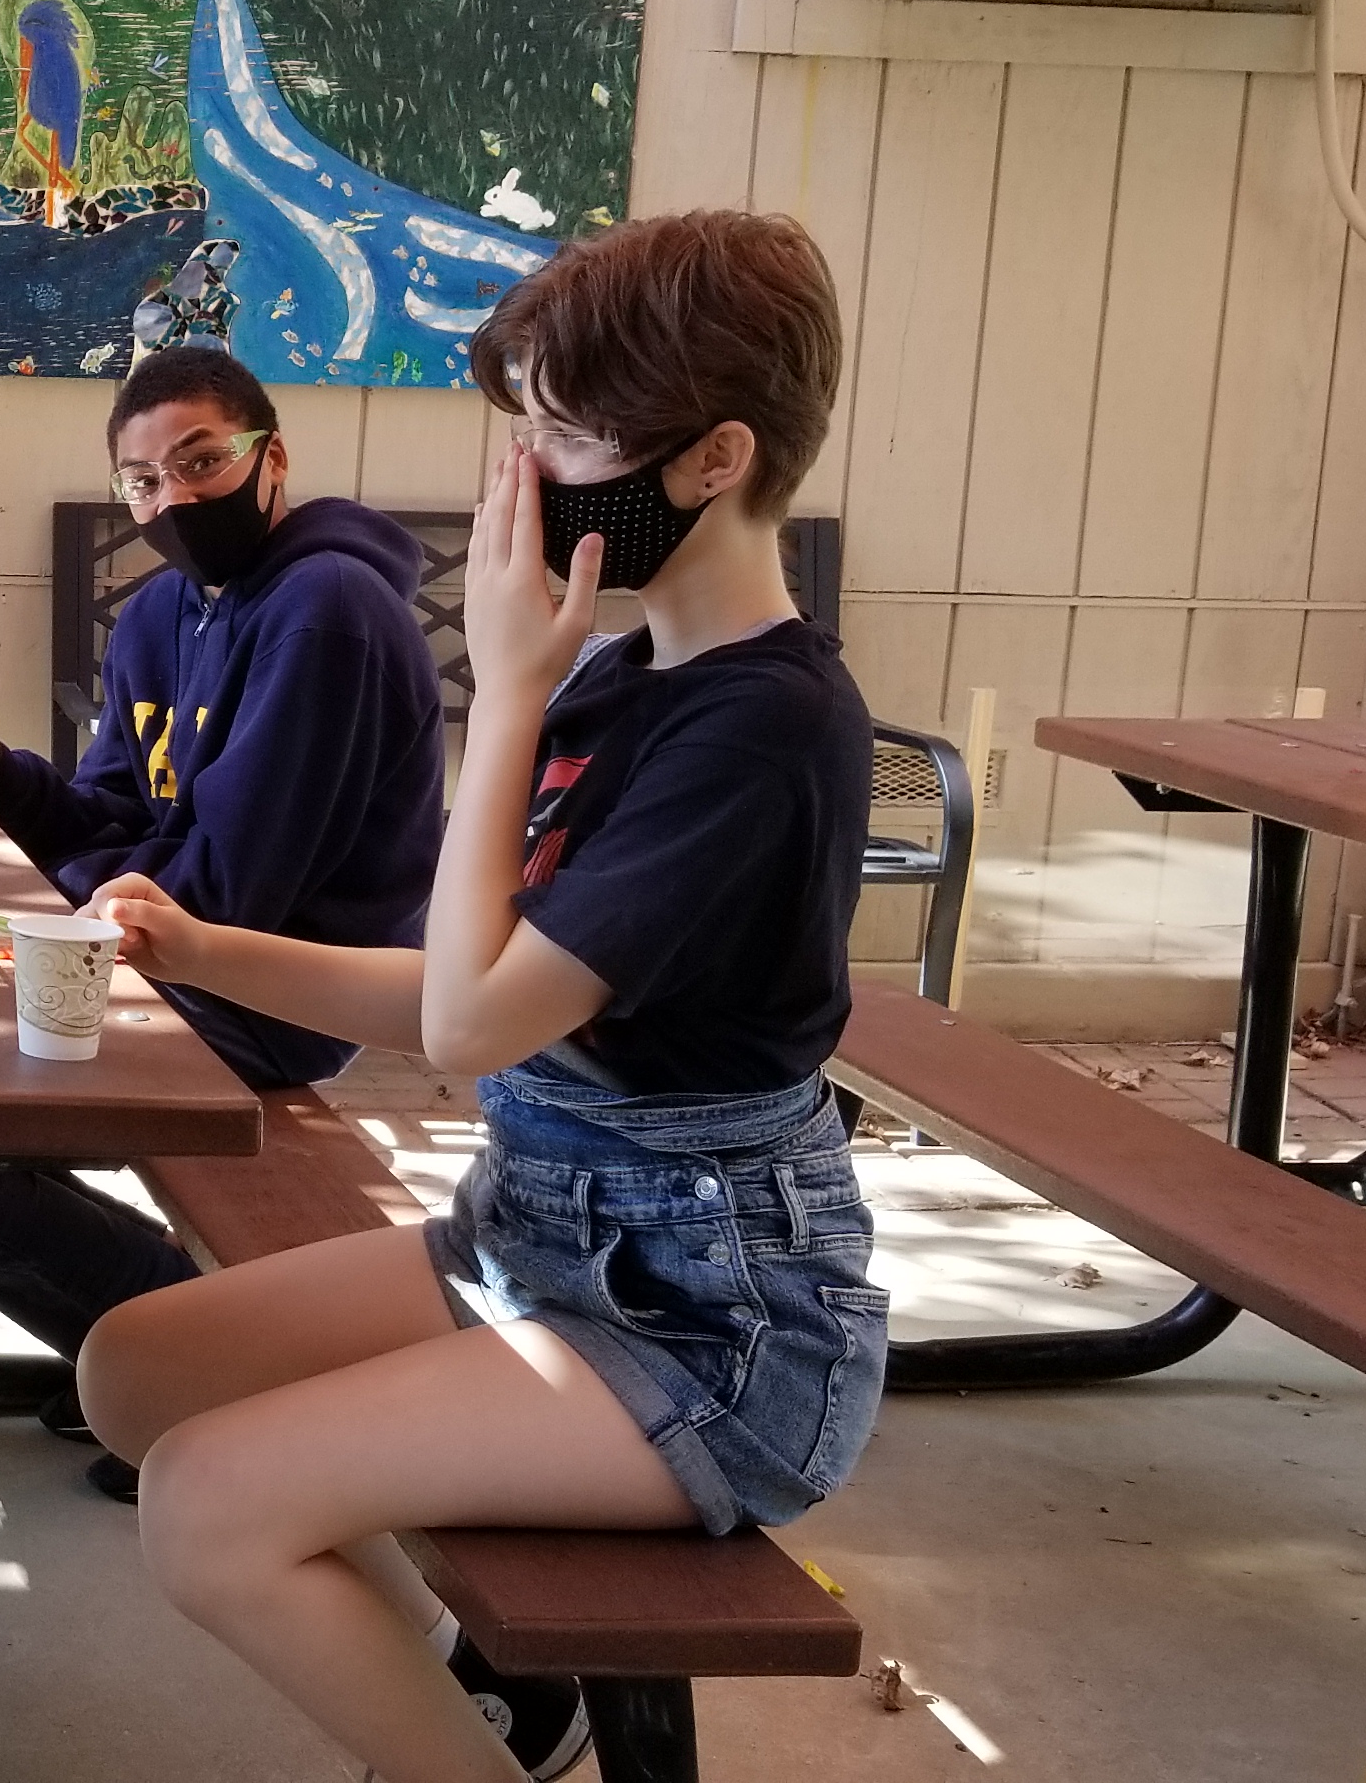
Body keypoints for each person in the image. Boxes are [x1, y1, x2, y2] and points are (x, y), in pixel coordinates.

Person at [72, 211, 884, 1783]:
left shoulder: (765, 730)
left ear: (712, 460)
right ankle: (481, 1700)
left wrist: (501, 688)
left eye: (563, 438)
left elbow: (468, 1030)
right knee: (133, 1372)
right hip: (535, 1245)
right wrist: (200, 948)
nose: (522, 477)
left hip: (709, 1334)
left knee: (207, 1505)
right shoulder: (628, 677)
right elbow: (469, 981)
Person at [0, 344, 445, 1484]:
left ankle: (209, 1366)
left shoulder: (327, 613)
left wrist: (67, 898)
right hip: (154, 954)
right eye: (143, 480)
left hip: (268, 990)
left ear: (271, 458)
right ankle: (149, 1352)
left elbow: (230, 894)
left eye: (201, 461)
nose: (173, 498)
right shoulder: (164, 613)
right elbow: (111, 817)